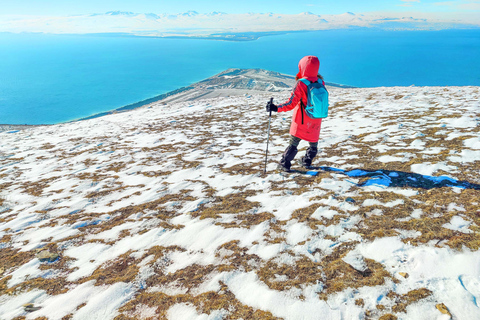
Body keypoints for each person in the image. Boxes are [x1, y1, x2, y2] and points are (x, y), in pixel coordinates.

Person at [266, 55, 325, 172]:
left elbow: (291, 103)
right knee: (313, 143)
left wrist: (275, 108)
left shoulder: (301, 83)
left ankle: (285, 164)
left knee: (293, 143)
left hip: (301, 120)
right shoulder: (320, 82)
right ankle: (307, 161)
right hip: (316, 118)